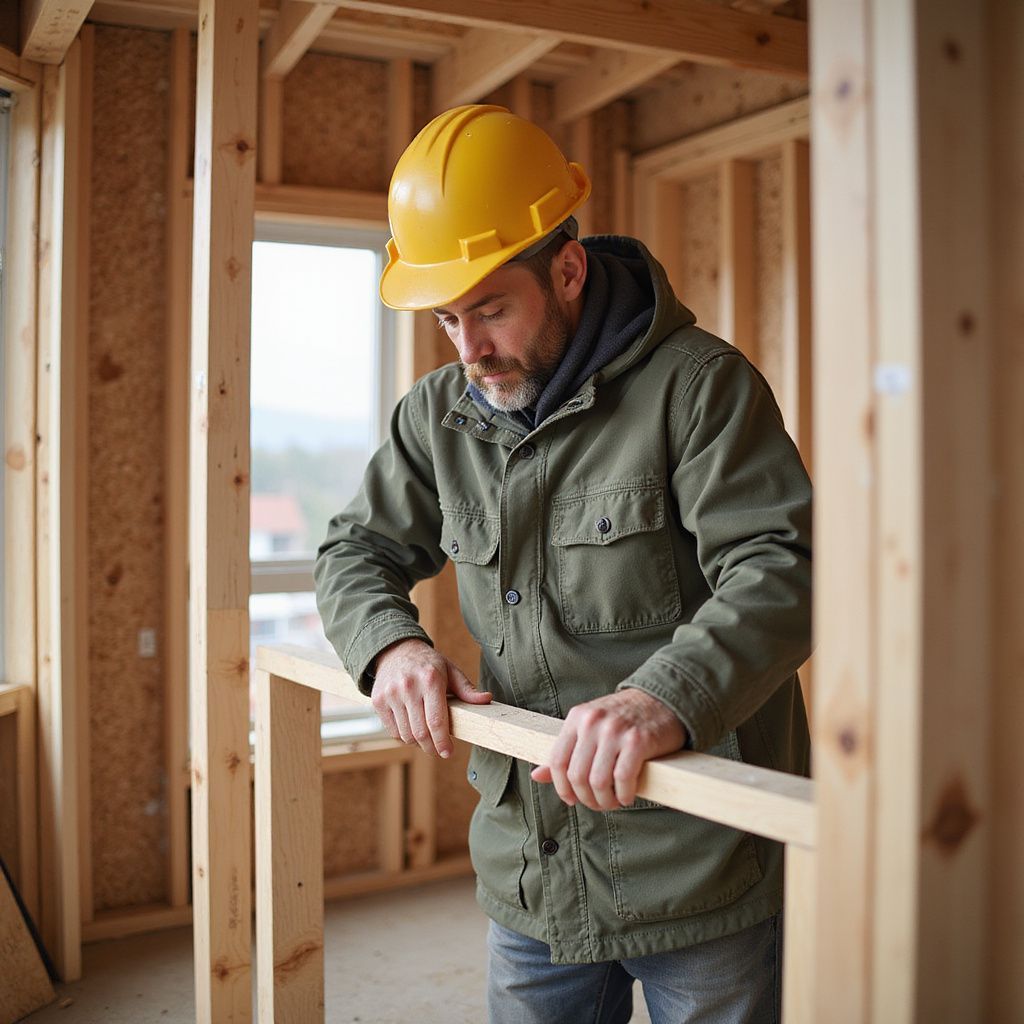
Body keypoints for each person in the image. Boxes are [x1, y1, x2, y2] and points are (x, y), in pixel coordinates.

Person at [314, 104, 811, 1024]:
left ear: (569, 269)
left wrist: (666, 695)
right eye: (447, 320)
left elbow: (781, 570)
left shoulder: (699, 388)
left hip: (699, 862)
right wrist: (392, 648)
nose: (470, 351)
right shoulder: (437, 413)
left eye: (492, 309)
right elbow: (355, 550)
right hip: (531, 865)